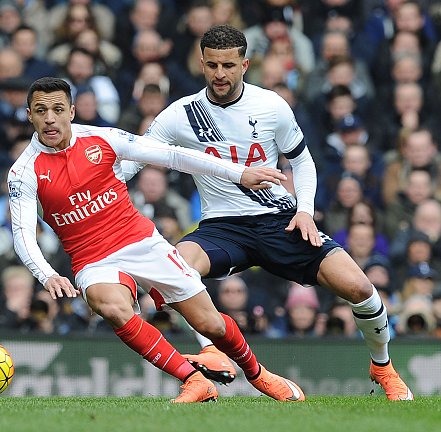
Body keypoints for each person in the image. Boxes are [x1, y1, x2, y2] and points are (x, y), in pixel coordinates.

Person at [122, 24, 413, 401]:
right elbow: (133, 162)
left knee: (359, 287)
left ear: (245, 64)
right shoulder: (181, 115)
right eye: (212, 65)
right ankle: (213, 355)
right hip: (221, 226)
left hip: (279, 220)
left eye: (228, 65)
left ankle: (383, 367)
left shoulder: (271, 106)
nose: (219, 74)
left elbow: (303, 162)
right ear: (201, 64)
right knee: (174, 268)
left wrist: (306, 211)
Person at [8, 76, 302, 403]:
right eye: (41, 110)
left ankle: (258, 374)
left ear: (72, 112)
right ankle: (194, 380)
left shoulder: (104, 139)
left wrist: (239, 173)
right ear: (30, 115)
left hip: (141, 242)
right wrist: (47, 274)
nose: (50, 118)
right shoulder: (23, 171)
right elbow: (21, 233)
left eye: (58, 109)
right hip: (93, 259)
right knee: (113, 307)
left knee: (211, 324)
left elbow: (173, 156)